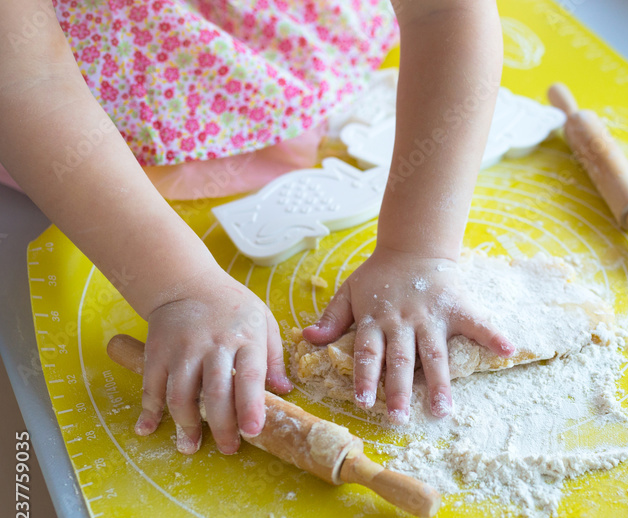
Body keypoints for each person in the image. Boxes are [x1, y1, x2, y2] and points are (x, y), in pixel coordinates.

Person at [0, 0, 515, 455]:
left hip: (271, 37)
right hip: (71, 114)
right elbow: (27, 78)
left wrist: (417, 251)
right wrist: (180, 287)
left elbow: (444, 10)